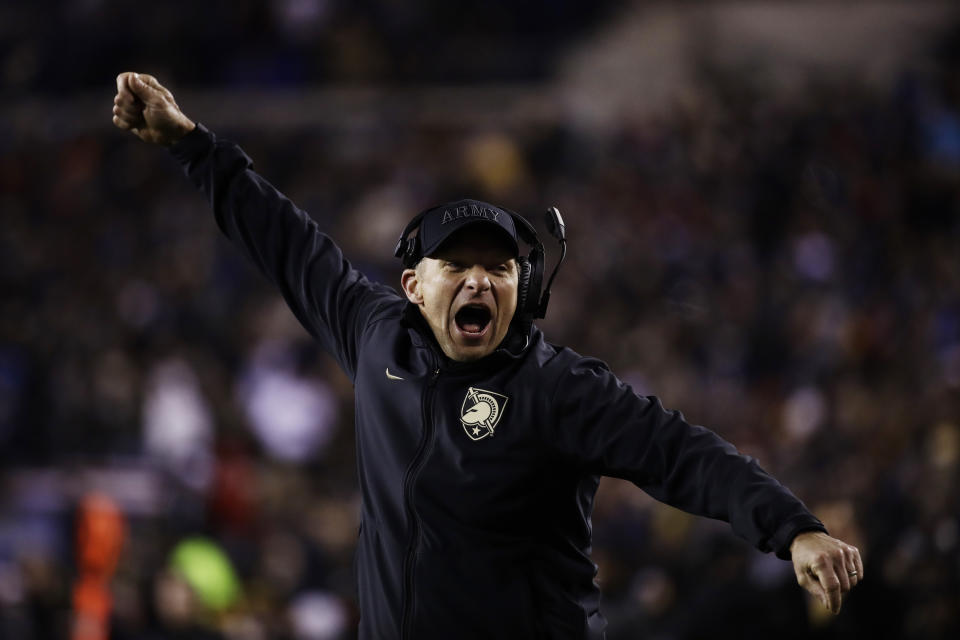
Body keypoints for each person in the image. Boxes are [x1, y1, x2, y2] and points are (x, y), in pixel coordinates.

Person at [112, 72, 863, 639]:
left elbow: (684, 453)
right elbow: (288, 244)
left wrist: (791, 527)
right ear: (413, 284)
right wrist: (190, 144)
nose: (480, 278)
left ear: (519, 285)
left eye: (499, 267)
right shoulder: (377, 335)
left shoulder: (557, 389)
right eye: (456, 263)